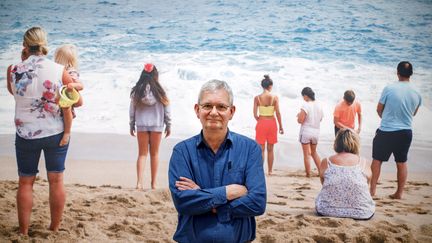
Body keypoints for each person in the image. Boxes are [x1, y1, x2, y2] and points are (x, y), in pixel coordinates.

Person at [168, 79, 266, 242]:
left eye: (221, 107)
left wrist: (205, 199)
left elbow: (257, 202)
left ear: (232, 111)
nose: (214, 112)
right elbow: (183, 201)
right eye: (207, 106)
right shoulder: (182, 151)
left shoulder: (250, 149)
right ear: (197, 110)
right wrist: (228, 192)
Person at [7, 26, 75, 235]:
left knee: (26, 182)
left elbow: (14, 92)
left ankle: (24, 231)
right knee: (56, 181)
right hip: (55, 132)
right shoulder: (57, 69)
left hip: (25, 133)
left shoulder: (13, 69)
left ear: (25, 45)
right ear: (44, 44)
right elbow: (73, 98)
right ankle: (54, 228)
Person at [370, 61, 422, 199]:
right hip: (405, 131)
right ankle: (399, 193)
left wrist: (387, 119)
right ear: (411, 74)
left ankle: (372, 191)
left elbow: (379, 109)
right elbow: (414, 112)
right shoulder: (417, 91)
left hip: (386, 130)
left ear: (397, 72)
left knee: (377, 160)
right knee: (402, 162)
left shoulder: (389, 88)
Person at [316, 129, 375, 220]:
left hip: (327, 210)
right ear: (356, 143)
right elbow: (366, 184)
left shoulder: (327, 161)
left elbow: (324, 183)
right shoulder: (363, 162)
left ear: (337, 143)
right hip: (362, 211)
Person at [129, 63, 171, 190]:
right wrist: (168, 124)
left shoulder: (138, 91)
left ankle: (139, 183)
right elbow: (167, 109)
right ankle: (153, 184)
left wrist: (132, 123)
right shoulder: (160, 91)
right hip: (157, 125)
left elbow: (132, 109)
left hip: (141, 125)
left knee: (142, 154)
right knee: (154, 154)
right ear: (155, 76)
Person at [253, 75, 284, 175]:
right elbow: (278, 113)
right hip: (271, 123)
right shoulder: (275, 97)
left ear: (262, 86)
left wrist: (259, 119)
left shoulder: (257, 98)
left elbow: (254, 114)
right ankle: (270, 171)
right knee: (270, 149)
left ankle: (260, 170)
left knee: (261, 149)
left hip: (261, 123)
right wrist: (281, 126)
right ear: (270, 86)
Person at [54, 44, 84, 146]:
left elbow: (81, 86)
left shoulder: (71, 71)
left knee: (66, 111)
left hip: (67, 98)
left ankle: (67, 133)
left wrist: (72, 85)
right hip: (61, 96)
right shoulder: (57, 70)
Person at [297, 87, 323, 177]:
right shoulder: (319, 105)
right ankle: (321, 172)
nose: (303, 98)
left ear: (306, 96)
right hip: (316, 132)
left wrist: (298, 116)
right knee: (314, 152)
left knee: (307, 154)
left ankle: (308, 174)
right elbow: (320, 119)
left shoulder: (306, 105)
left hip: (306, 131)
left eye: (303, 96)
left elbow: (300, 120)